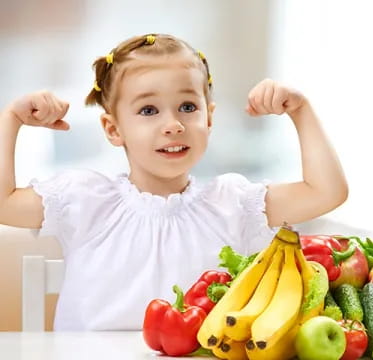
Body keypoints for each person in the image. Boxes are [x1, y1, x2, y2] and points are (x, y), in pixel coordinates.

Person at [0, 33, 348, 331]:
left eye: (187, 106)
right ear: (113, 129)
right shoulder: (83, 199)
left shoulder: (233, 203)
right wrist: (12, 118)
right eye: (149, 111)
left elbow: (327, 192)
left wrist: (300, 110)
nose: (173, 124)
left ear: (209, 116)